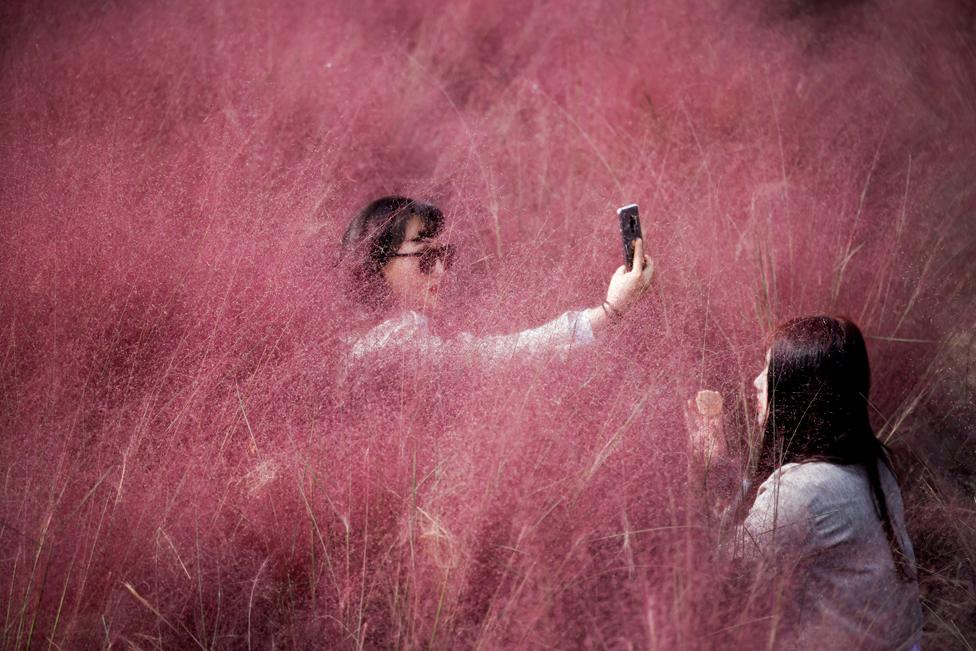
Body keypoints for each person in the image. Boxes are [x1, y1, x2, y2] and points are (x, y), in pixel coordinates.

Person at [688, 316, 923, 650]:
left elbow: (717, 569)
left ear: (801, 393)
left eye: (769, 371)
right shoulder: (870, 459)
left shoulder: (806, 493)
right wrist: (725, 466)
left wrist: (708, 474)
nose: (755, 382)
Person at [340, 195, 653, 365]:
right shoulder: (390, 345)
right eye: (424, 258)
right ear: (375, 265)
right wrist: (611, 312)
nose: (440, 271)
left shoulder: (397, 339)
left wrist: (608, 313)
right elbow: (500, 360)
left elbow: (498, 351)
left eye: (444, 255)